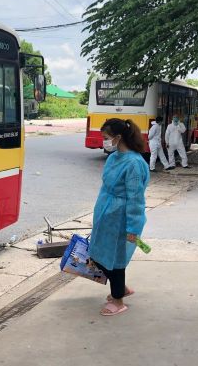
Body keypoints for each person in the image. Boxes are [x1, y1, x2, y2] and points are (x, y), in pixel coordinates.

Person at [89, 118, 149, 316]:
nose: (104, 141)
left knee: (115, 260)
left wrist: (133, 229)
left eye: (106, 138)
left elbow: (136, 199)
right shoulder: (114, 157)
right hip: (105, 214)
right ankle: (121, 288)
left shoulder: (134, 164)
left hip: (121, 218)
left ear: (118, 137)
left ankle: (118, 299)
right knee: (98, 254)